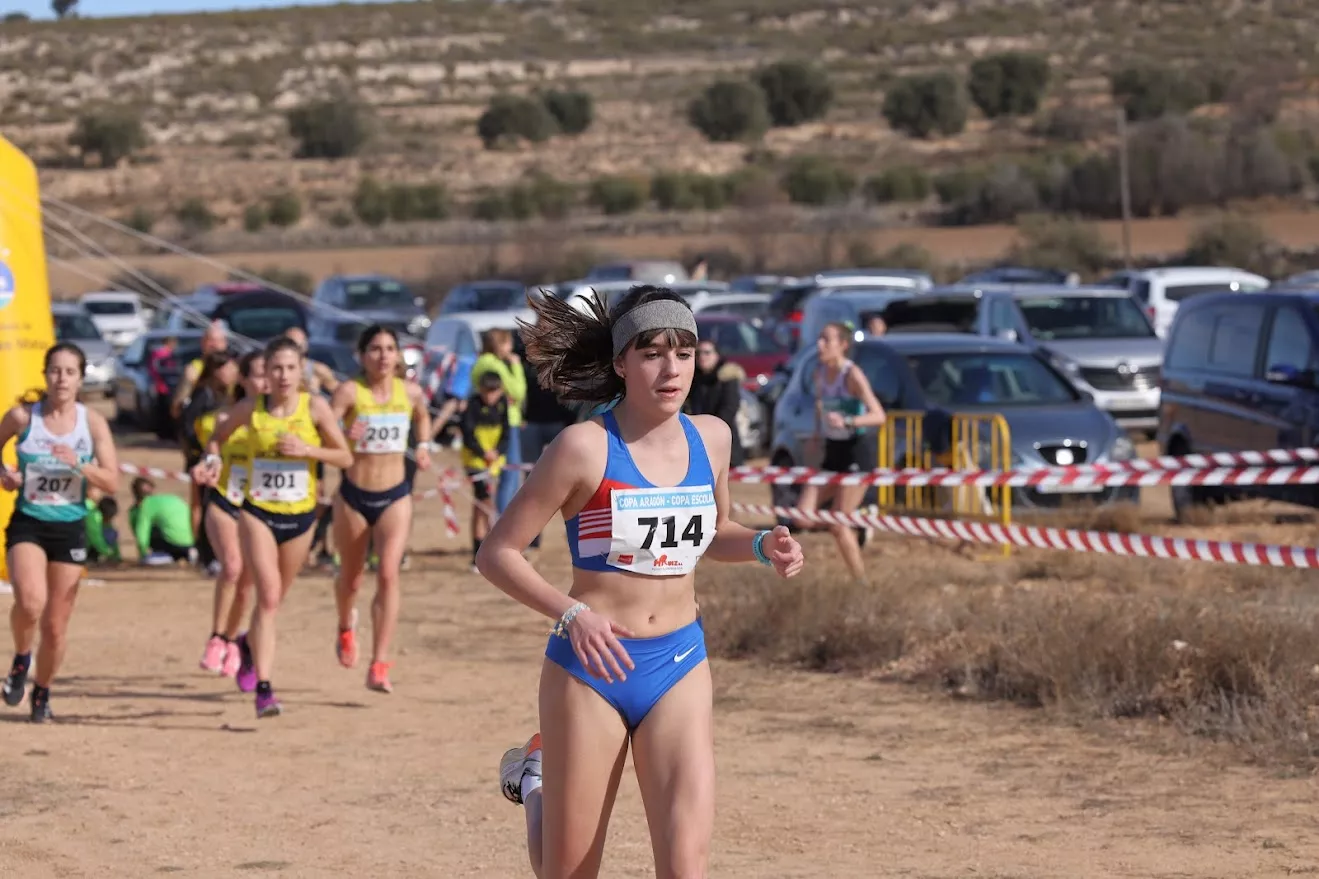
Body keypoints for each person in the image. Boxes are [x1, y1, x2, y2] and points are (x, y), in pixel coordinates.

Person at [476, 286, 805, 878]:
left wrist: (761, 545)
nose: (671, 369)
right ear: (621, 362)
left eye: (684, 352)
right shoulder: (583, 447)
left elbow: (713, 531)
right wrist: (571, 613)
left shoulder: (713, 437)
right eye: (652, 353)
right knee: (568, 871)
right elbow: (497, 553)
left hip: (679, 661)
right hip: (591, 669)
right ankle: (535, 782)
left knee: (685, 868)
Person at [193, 336, 353, 718]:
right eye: (276, 368)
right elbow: (217, 439)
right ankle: (264, 689)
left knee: (275, 600)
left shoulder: (314, 408)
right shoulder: (251, 408)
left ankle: (248, 646)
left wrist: (308, 450)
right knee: (266, 596)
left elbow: (345, 457)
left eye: (290, 368)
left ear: (301, 372)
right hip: (257, 514)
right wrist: (211, 460)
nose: (283, 375)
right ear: (265, 372)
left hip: (300, 519)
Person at [0, 342, 120, 722]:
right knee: (30, 602)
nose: (61, 379)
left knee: (54, 627)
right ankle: (21, 659)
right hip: (29, 523)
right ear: (45, 374)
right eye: (55, 371)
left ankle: (43, 691)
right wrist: (5, 475)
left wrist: (79, 465)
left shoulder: (92, 423)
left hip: (69, 528)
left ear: (80, 379)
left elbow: (112, 481)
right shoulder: (23, 417)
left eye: (70, 372)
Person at [329, 326, 432, 694]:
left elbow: (422, 415)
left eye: (390, 348)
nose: (384, 355)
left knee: (388, 573)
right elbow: (325, 430)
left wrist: (423, 445)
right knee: (352, 578)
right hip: (354, 495)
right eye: (375, 348)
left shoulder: (410, 392)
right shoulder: (349, 391)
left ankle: (379, 663)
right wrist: (345, 436)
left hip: (395, 495)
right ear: (362, 355)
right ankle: (346, 625)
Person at [793, 322, 887, 581]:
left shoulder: (852, 374)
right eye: (819, 339)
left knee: (837, 524)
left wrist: (848, 421)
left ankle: (861, 583)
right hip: (833, 452)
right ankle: (859, 518)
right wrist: (816, 435)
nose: (820, 345)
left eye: (827, 340)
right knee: (803, 516)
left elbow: (879, 416)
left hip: (856, 453)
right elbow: (821, 406)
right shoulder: (820, 373)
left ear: (843, 345)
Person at [195, 351, 267, 678]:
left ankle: (233, 640)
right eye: (259, 374)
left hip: (261, 507)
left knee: (247, 583)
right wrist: (210, 463)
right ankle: (216, 637)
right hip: (226, 500)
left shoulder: (281, 421)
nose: (266, 381)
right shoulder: (221, 418)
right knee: (233, 567)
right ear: (244, 379)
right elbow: (211, 445)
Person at [181, 350, 240, 572]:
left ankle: (217, 553)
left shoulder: (230, 394)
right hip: (204, 458)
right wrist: (198, 450)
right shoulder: (204, 393)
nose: (232, 372)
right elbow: (187, 424)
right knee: (205, 506)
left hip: (224, 457)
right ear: (216, 371)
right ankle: (205, 554)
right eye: (228, 368)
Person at [519, 351, 577, 551]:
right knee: (531, 483)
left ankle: (575, 533)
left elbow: (574, 394)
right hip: (531, 424)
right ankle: (531, 538)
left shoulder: (565, 358)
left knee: (571, 483)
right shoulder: (523, 363)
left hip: (559, 424)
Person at [470, 328, 527, 516]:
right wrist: (516, 366)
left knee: (502, 476)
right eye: (508, 343)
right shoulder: (495, 364)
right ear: (499, 344)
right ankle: (504, 519)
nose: (511, 348)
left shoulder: (480, 362)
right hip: (506, 422)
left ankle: (500, 519)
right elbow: (518, 391)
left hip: (491, 424)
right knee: (510, 474)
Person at [461, 371, 510, 571]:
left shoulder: (503, 404)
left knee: (482, 506)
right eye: (486, 391)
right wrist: (483, 453)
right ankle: (491, 550)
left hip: (495, 463)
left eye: (494, 391)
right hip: (475, 462)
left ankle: (481, 553)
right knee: (486, 502)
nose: (490, 396)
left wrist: (497, 452)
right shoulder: (472, 405)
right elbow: (468, 434)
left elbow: (506, 433)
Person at [686, 338, 746, 467]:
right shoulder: (693, 380)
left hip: (723, 443)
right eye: (698, 353)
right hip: (697, 444)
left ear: (716, 355)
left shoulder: (727, 378)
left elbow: (729, 409)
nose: (702, 357)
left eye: (707, 352)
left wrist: (708, 431)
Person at [128, 477, 197, 565]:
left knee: (152, 530)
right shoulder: (169, 498)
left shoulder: (146, 505)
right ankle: (189, 553)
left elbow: (142, 535)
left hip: (174, 544)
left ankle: (167, 556)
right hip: (192, 541)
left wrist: (143, 555)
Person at [84, 492, 121, 565]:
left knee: (111, 532)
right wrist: (109, 553)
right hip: (82, 545)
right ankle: (89, 558)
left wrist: (117, 556)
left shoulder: (98, 514)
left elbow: (114, 543)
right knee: (109, 534)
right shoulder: (94, 517)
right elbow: (95, 539)